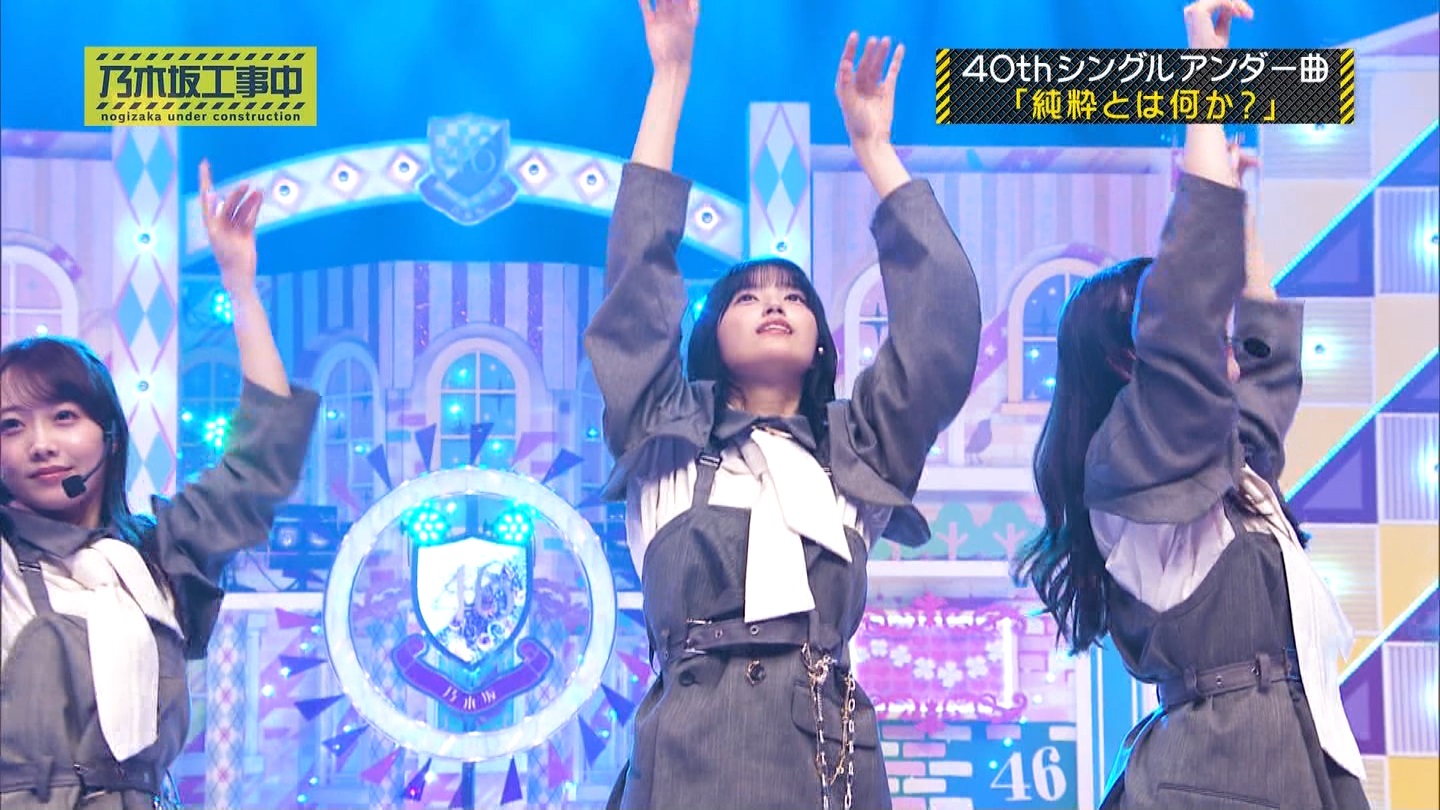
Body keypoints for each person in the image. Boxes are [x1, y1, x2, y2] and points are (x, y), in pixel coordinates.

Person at [583, 2, 982, 808]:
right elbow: (635, 283)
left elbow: (941, 325)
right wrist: (671, 77)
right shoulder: (664, 433)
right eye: (748, 297)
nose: (774, 303)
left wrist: (875, 150)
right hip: (687, 761)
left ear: (823, 342)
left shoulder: (857, 450)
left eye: (794, 296)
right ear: (710, 335)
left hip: (824, 760)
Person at [1011, 2, 1370, 808]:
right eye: (1187, 326)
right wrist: (1205, 67)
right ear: (1127, 357)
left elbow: (1268, 362)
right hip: (1219, 771)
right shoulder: (1131, 458)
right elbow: (1185, 301)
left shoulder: (1221, 468)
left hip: (1287, 751)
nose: (1217, 331)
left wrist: (1238, 216)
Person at [0, 161, 320, 809]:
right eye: (12, 424)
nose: (40, 443)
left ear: (109, 435)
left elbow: (262, 457)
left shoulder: (157, 558)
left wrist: (240, 285)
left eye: (64, 416)